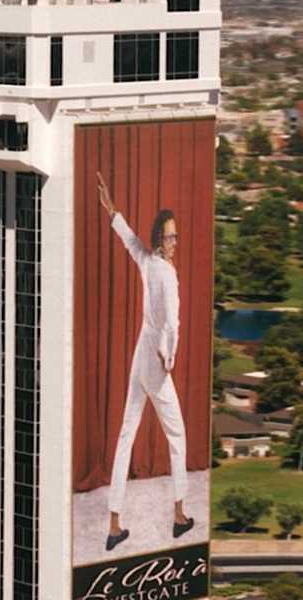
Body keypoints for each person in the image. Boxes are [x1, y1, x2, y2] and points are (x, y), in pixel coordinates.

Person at [96, 172, 194, 552]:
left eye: (175, 235)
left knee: (126, 435)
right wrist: (169, 358)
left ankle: (114, 524)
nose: (174, 241)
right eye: (169, 236)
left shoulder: (147, 262)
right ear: (160, 238)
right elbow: (173, 323)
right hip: (154, 357)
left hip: (140, 355)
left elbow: (128, 239)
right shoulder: (167, 274)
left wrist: (110, 207)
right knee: (178, 436)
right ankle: (180, 516)